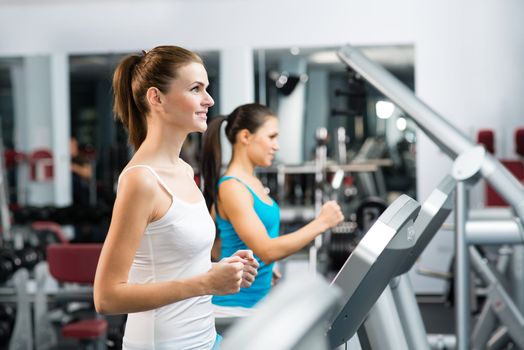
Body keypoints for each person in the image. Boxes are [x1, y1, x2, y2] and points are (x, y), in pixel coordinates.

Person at [93, 46, 259, 350]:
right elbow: (106, 297)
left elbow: (175, 267)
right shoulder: (141, 180)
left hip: (204, 340)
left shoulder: (183, 170)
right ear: (156, 98)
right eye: (196, 89)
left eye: (206, 89)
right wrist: (206, 283)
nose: (209, 100)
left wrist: (222, 269)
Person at [201, 103, 344, 316]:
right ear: (246, 137)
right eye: (271, 137)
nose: (277, 146)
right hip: (233, 308)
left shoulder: (251, 182)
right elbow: (266, 251)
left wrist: (265, 271)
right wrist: (321, 223)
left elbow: (225, 245)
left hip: (255, 305)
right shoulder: (232, 187)